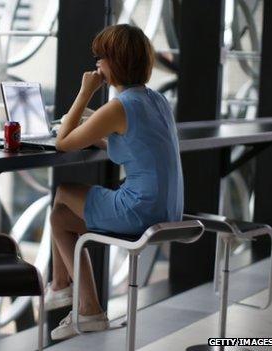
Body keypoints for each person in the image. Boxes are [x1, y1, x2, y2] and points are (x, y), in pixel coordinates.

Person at [45, 24, 184, 340]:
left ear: (116, 62)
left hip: (141, 211)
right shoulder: (157, 100)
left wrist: (85, 93)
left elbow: (62, 143)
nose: (96, 65)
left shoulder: (120, 106)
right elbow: (141, 146)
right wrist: (97, 137)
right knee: (60, 218)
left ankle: (67, 291)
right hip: (169, 211)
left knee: (65, 192)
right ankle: (79, 301)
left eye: (100, 58)